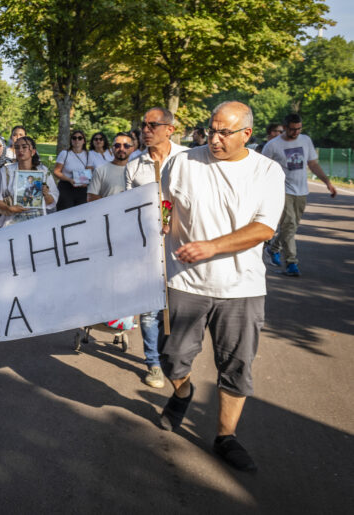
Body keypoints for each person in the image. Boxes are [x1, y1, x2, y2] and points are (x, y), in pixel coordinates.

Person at [158, 101, 285, 473]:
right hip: (184, 280)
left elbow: (264, 228)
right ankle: (182, 391)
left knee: (236, 365)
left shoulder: (266, 171)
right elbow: (165, 204)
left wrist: (211, 246)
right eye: (211, 130)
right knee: (171, 357)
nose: (213, 138)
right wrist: (162, 222)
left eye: (223, 132)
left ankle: (225, 436)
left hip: (241, 287)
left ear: (247, 133)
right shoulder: (182, 162)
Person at [125, 107, 188, 389]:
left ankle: (174, 359)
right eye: (143, 125)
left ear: (169, 129)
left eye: (153, 125)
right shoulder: (134, 165)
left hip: (182, 247)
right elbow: (127, 210)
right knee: (150, 309)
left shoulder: (188, 160)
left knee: (177, 308)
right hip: (148, 248)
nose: (146, 130)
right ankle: (153, 362)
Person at [262, 113, 337, 276]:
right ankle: (291, 263)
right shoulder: (273, 145)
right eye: (292, 129)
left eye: (298, 129)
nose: (296, 132)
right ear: (285, 127)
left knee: (292, 226)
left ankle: (273, 248)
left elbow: (313, 164)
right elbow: (262, 170)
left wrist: (327, 182)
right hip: (282, 190)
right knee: (288, 224)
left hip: (301, 190)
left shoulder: (305, 140)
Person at [0, 135, 57, 225]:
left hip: (38, 223)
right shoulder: (6, 171)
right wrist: (9, 208)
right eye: (17, 147)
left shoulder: (43, 171)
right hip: (13, 224)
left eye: (24, 147)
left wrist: (45, 194)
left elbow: (51, 201)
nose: (20, 150)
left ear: (33, 151)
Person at [52, 130, 92, 210]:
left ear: (84, 141)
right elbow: (56, 171)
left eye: (80, 138)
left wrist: (86, 182)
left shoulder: (88, 154)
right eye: (74, 138)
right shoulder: (65, 153)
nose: (77, 140)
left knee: (81, 214)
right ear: (71, 140)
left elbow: (89, 171)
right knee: (64, 214)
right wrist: (69, 180)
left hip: (82, 189)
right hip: (66, 188)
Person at [88, 133, 133, 201]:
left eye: (126, 146)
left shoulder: (139, 170)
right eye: (117, 145)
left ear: (132, 149)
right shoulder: (100, 171)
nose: (121, 149)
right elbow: (91, 197)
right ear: (112, 148)